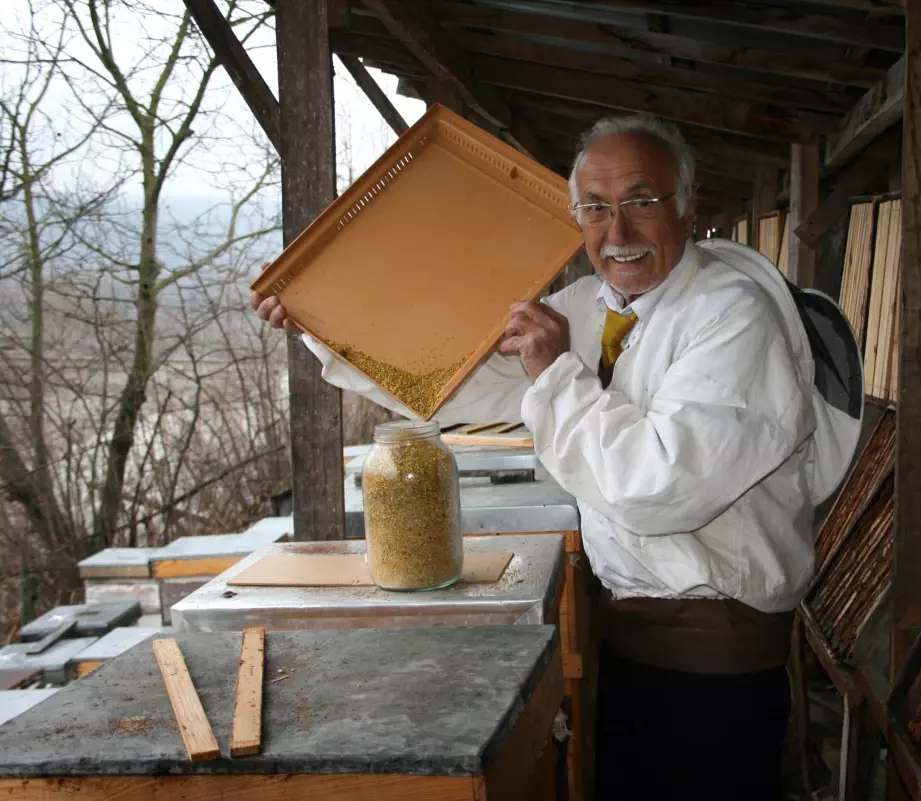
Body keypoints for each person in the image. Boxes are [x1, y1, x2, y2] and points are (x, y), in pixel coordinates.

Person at [252, 114, 820, 800]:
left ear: (688, 202)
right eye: (596, 208)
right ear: (575, 215)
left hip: (716, 671)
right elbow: (455, 379)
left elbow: (656, 485)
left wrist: (554, 375)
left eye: (642, 201)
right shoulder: (590, 305)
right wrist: (329, 321)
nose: (619, 232)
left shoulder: (733, 315)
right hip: (635, 651)